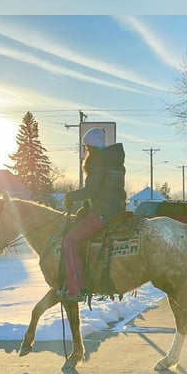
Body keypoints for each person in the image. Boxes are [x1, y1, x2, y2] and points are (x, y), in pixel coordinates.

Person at [61, 127, 126, 302]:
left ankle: (77, 288)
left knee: (70, 240)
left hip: (104, 212)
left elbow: (91, 189)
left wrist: (70, 196)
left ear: (89, 147)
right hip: (118, 208)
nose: (85, 150)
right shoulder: (115, 162)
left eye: (86, 147)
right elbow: (106, 189)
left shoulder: (97, 161)